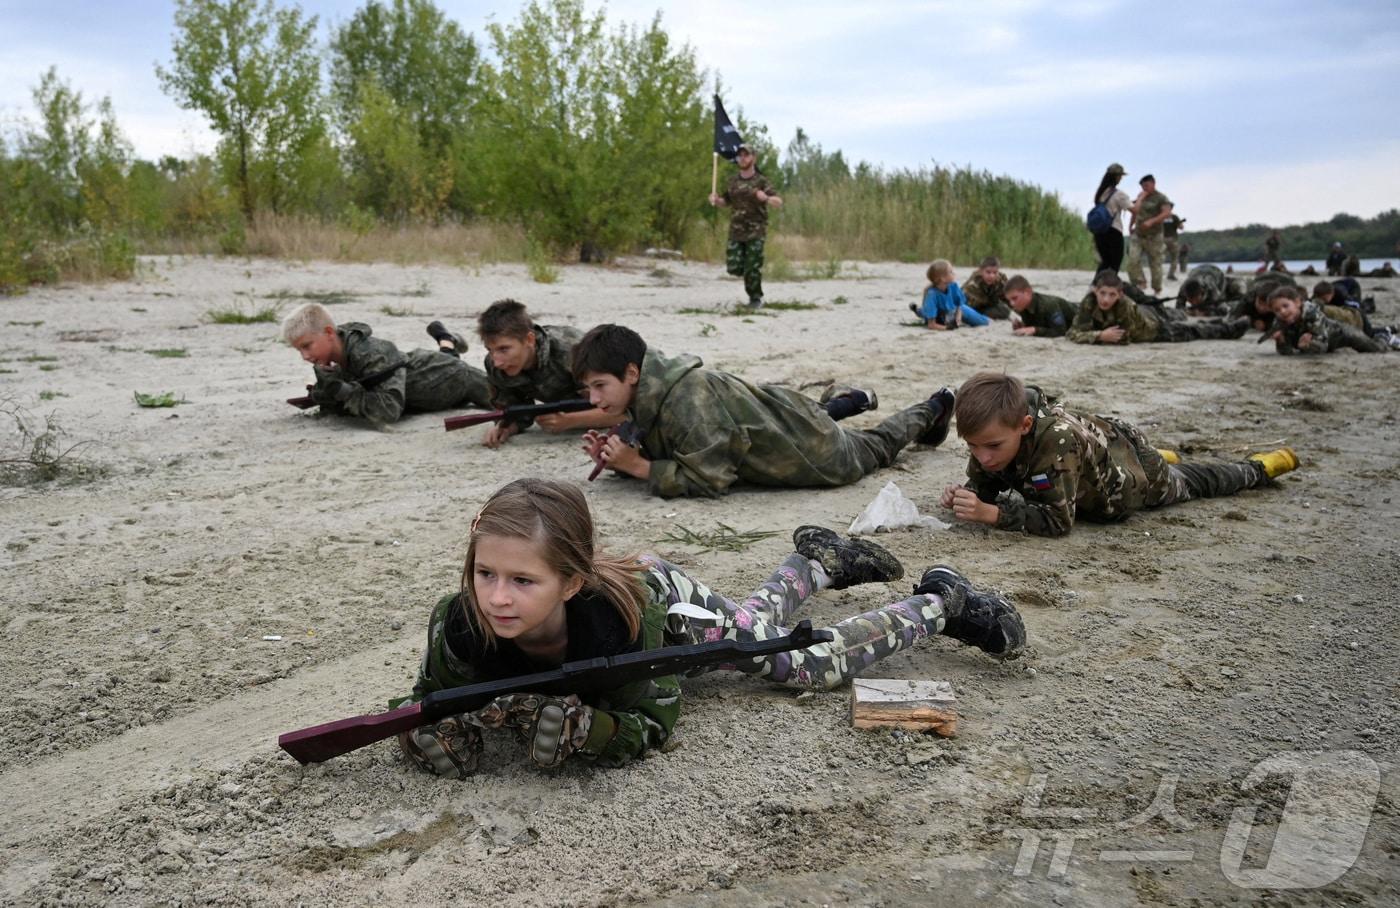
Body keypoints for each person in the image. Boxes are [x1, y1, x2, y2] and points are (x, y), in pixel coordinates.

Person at [396, 479, 1027, 774]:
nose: (497, 598)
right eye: (485, 575)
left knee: (798, 662)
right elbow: (425, 696)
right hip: (634, 595)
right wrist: (426, 729)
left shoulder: (621, 622)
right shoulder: (461, 624)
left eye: (522, 581)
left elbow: (656, 720)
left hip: (671, 617)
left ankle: (944, 601)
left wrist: (592, 731)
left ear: (571, 582)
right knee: (754, 625)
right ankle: (818, 562)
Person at [569, 324, 953, 499]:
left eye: (600, 386)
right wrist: (620, 459)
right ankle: (851, 402)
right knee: (821, 412)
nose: (593, 400)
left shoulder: (689, 401)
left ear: (632, 373)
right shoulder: (656, 388)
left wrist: (638, 467)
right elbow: (674, 443)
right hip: (786, 414)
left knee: (879, 444)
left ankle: (936, 404)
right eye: (587, 389)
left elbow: (711, 477)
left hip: (816, 453)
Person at [938, 373, 1299, 537]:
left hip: (1133, 480)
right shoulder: (995, 432)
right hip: (1103, 445)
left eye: (992, 447)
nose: (982, 456)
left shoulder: (1055, 444)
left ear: (1025, 425)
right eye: (972, 446)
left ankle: (1259, 468)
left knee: (1194, 481)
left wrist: (992, 513)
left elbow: (1059, 522)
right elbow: (983, 481)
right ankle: (1165, 455)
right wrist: (966, 496)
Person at [281, 303, 492, 425]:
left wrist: (344, 392)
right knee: (447, 359)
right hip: (417, 381)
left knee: (498, 393)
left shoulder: (372, 353)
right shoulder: (328, 360)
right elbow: (333, 400)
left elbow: (389, 411)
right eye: (299, 349)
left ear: (328, 333)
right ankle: (446, 340)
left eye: (307, 346)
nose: (304, 356)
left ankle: (446, 341)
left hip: (451, 377)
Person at [475, 299, 619, 448]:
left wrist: (571, 420)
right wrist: (505, 427)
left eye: (504, 349)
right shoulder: (495, 366)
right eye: (490, 350)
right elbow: (516, 412)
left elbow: (623, 411)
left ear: (529, 340)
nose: (497, 362)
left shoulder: (574, 351)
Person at [1068, 271, 1248, 345]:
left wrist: (1097, 335)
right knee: (1186, 320)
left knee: (1193, 330)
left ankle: (1229, 329)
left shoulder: (1126, 305)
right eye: (1102, 293)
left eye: (1112, 294)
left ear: (1120, 294)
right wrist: (1099, 335)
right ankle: (1216, 321)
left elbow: (1123, 338)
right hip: (1146, 315)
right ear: (1095, 290)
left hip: (1154, 329)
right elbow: (1073, 332)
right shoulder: (1089, 301)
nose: (1105, 299)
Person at [708, 143, 782, 308]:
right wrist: (715, 200)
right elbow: (725, 201)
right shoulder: (733, 181)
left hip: (756, 230)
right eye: (740, 155)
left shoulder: (761, 180)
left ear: (753, 158)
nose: (742, 158)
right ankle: (749, 277)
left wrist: (766, 198)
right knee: (733, 268)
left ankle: (755, 298)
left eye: (746, 155)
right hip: (736, 231)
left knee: (752, 268)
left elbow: (778, 202)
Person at [1267, 287, 1390, 355]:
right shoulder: (1279, 322)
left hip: (1343, 334)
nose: (1282, 312)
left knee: (1375, 349)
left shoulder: (1312, 315)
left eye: (1285, 306)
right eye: (1277, 310)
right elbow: (1287, 352)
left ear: (1297, 303)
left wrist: (1308, 346)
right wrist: (1281, 342)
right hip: (1330, 344)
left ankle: (1383, 336)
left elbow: (1322, 346)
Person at [1125, 175, 1174, 294]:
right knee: (1132, 259)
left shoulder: (1161, 198)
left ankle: (1157, 288)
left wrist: (1151, 221)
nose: (1144, 188)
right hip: (1138, 234)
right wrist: (1131, 225)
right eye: (1142, 186)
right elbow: (1135, 211)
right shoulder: (1141, 197)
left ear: (1153, 183)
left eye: (1146, 185)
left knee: (1155, 264)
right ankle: (1140, 282)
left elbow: (1166, 213)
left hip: (1154, 236)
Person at [911, 260, 989, 329]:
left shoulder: (953, 286)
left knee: (984, 322)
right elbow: (931, 325)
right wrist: (947, 328)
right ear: (943, 278)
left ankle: (919, 310)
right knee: (928, 313)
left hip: (952, 310)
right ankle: (918, 310)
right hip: (940, 314)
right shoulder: (932, 294)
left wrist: (958, 318)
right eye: (951, 271)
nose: (954, 273)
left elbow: (959, 305)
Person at [1089, 163, 1132, 274]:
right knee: (1114, 262)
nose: (1121, 178)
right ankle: (1109, 285)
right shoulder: (1119, 194)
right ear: (1116, 177)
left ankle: (1096, 286)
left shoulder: (1100, 193)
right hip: (1114, 230)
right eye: (1120, 176)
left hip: (1100, 231)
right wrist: (1142, 198)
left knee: (1105, 262)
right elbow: (1134, 210)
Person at [1005, 275, 1076, 338]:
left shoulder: (1049, 305)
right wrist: (1024, 327)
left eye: (1014, 298)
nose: (1012, 303)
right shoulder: (1023, 307)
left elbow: (1060, 331)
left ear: (1027, 292)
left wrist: (1035, 330)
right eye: (1009, 300)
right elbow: (1041, 325)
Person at [1176, 264, 1245, 316]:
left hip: (1219, 278)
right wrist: (1186, 312)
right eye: (1190, 300)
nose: (1194, 303)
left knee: (1237, 292)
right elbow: (1178, 308)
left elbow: (1222, 310)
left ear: (1202, 293)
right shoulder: (1183, 289)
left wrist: (1206, 313)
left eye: (1196, 299)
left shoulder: (1211, 288)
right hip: (1198, 272)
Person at [1163, 214, 1185, 281]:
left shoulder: (1160, 216)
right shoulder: (1174, 217)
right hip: (1173, 239)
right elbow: (1181, 227)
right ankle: (1171, 274)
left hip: (1161, 239)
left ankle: (1157, 274)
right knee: (1174, 258)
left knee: (1158, 258)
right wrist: (1180, 222)